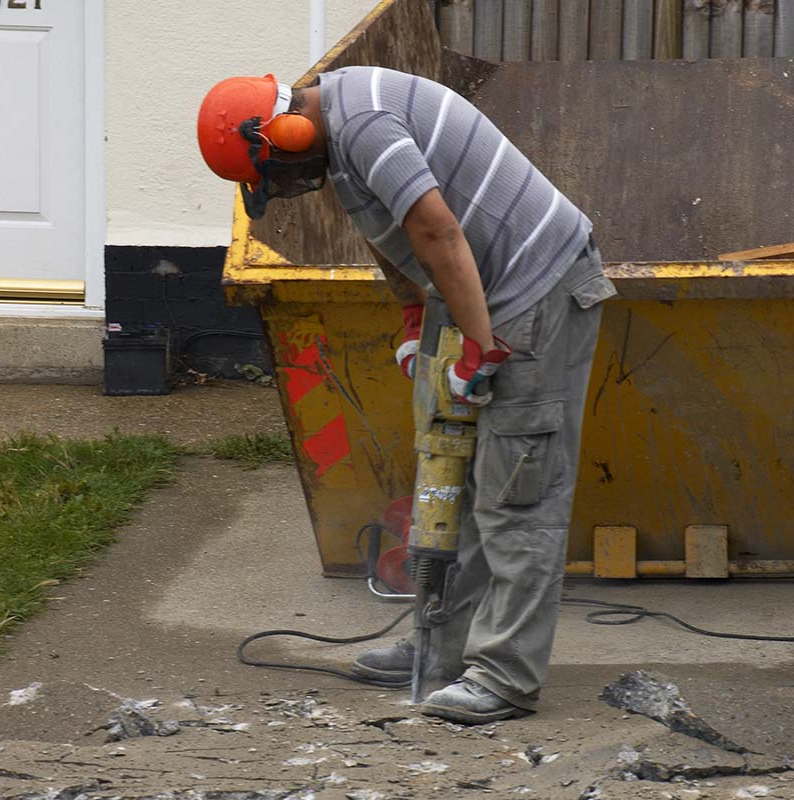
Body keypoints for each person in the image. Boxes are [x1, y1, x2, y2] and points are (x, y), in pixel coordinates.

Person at [198, 67, 617, 725]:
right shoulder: (340, 138)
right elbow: (389, 232)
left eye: (276, 169)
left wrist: (477, 346)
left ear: (289, 128)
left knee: (515, 488)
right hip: (480, 292)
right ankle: (440, 649)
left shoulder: (362, 122)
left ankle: (505, 677)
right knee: (450, 479)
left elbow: (436, 230)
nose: (285, 183)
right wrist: (418, 318)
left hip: (536, 289)